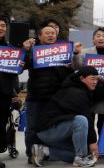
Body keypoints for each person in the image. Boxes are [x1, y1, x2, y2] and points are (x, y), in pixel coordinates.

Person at [31, 66, 101, 167]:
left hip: (56, 131)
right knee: (81, 120)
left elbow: (99, 94)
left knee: (83, 151)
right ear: (82, 79)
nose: (95, 82)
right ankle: (80, 158)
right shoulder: (76, 93)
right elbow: (88, 119)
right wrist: (93, 142)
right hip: (48, 131)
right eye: (92, 78)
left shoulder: (81, 89)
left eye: (97, 79)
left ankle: (45, 151)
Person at [22, 25, 74, 161]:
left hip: (56, 97)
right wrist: (26, 51)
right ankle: (31, 154)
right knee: (32, 127)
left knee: (52, 127)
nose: (51, 35)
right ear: (39, 36)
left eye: (53, 33)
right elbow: (22, 65)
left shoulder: (63, 52)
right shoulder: (33, 50)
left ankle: (45, 152)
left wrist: (69, 67)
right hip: (36, 97)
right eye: (47, 33)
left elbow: (68, 75)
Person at [71, 27, 104, 140]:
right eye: (98, 36)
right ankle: (89, 147)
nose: (101, 38)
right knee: (88, 120)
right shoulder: (84, 52)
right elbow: (77, 67)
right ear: (93, 39)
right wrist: (75, 54)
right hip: (88, 92)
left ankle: (103, 148)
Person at [0, 17, 21, 167]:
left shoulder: (11, 48)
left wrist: (15, 92)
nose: (0, 28)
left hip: (4, 92)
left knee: (1, 124)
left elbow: (13, 73)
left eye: (2, 25)